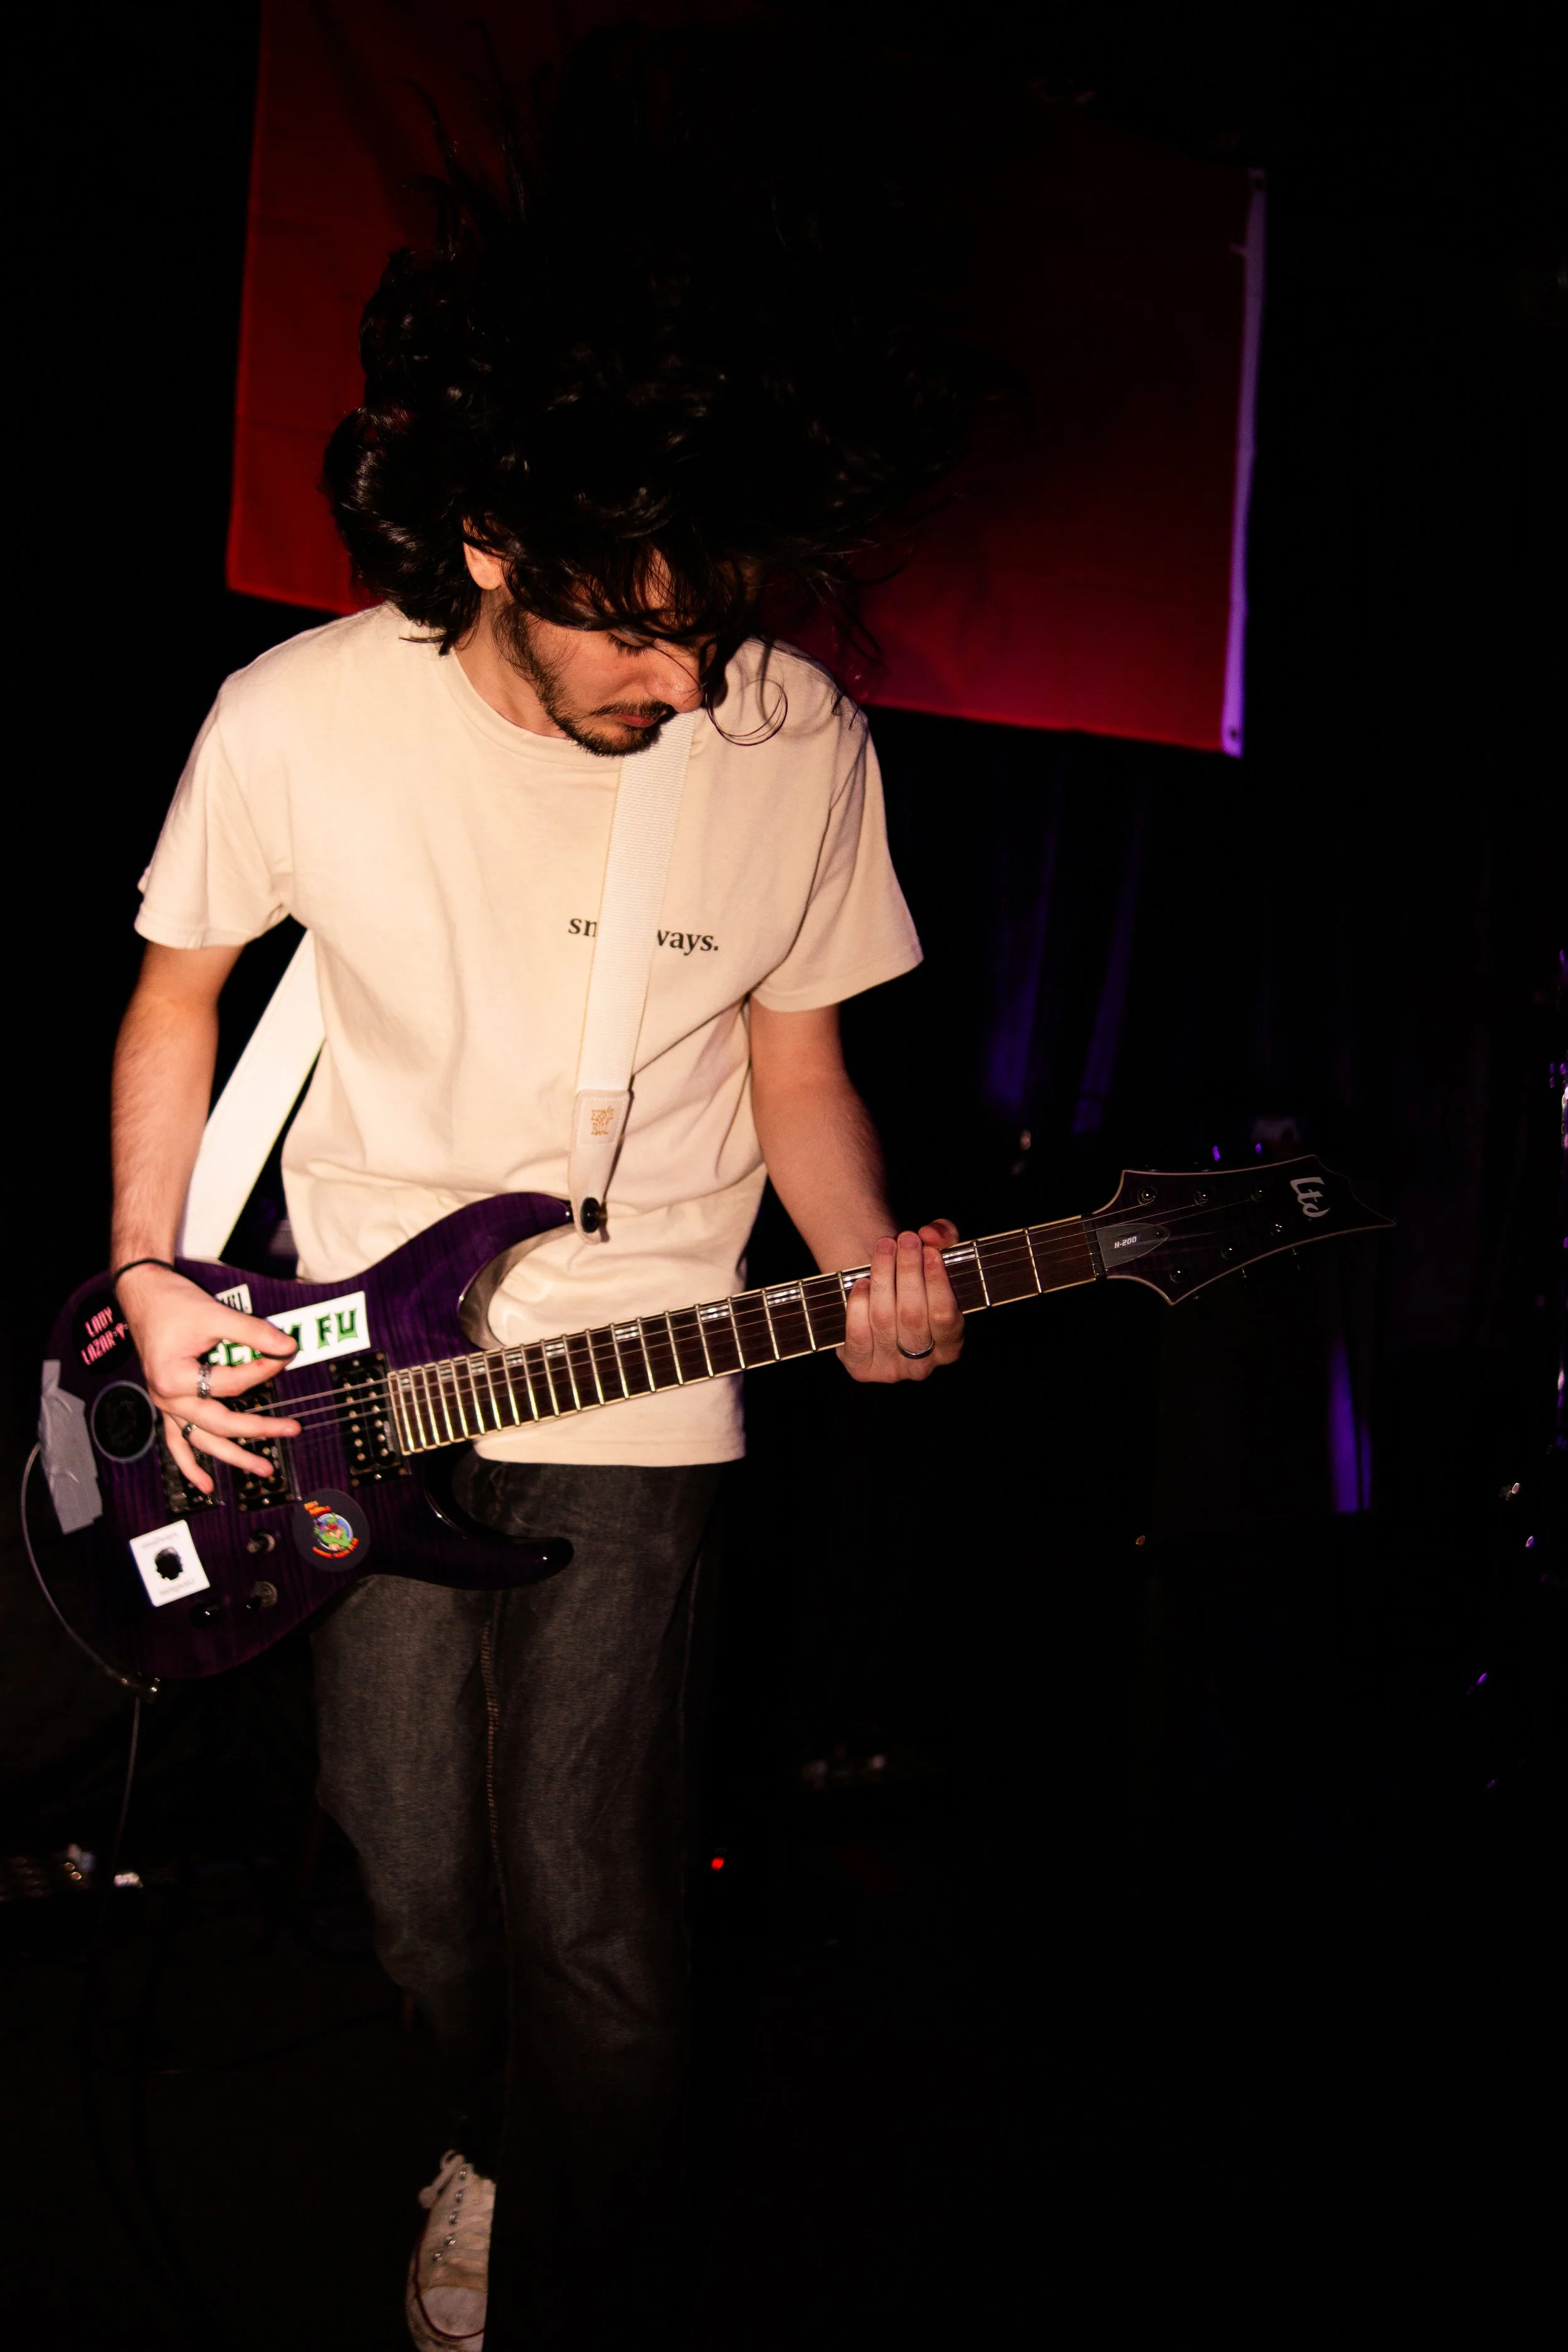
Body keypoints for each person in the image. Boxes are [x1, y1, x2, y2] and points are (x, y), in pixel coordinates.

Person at [107, 82, 971, 2352]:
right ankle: (483, 2142)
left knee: (595, 1907)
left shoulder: (794, 738)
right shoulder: (299, 717)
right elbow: (176, 994)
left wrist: (864, 1267)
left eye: (717, 623)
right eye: (641, 631)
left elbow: (800, 1061)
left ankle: (596, 2280)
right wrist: (150, 1271)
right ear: (494, 536)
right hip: (346, 1361)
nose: (690, 682)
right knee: (416, 1886)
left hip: (650, 1352)